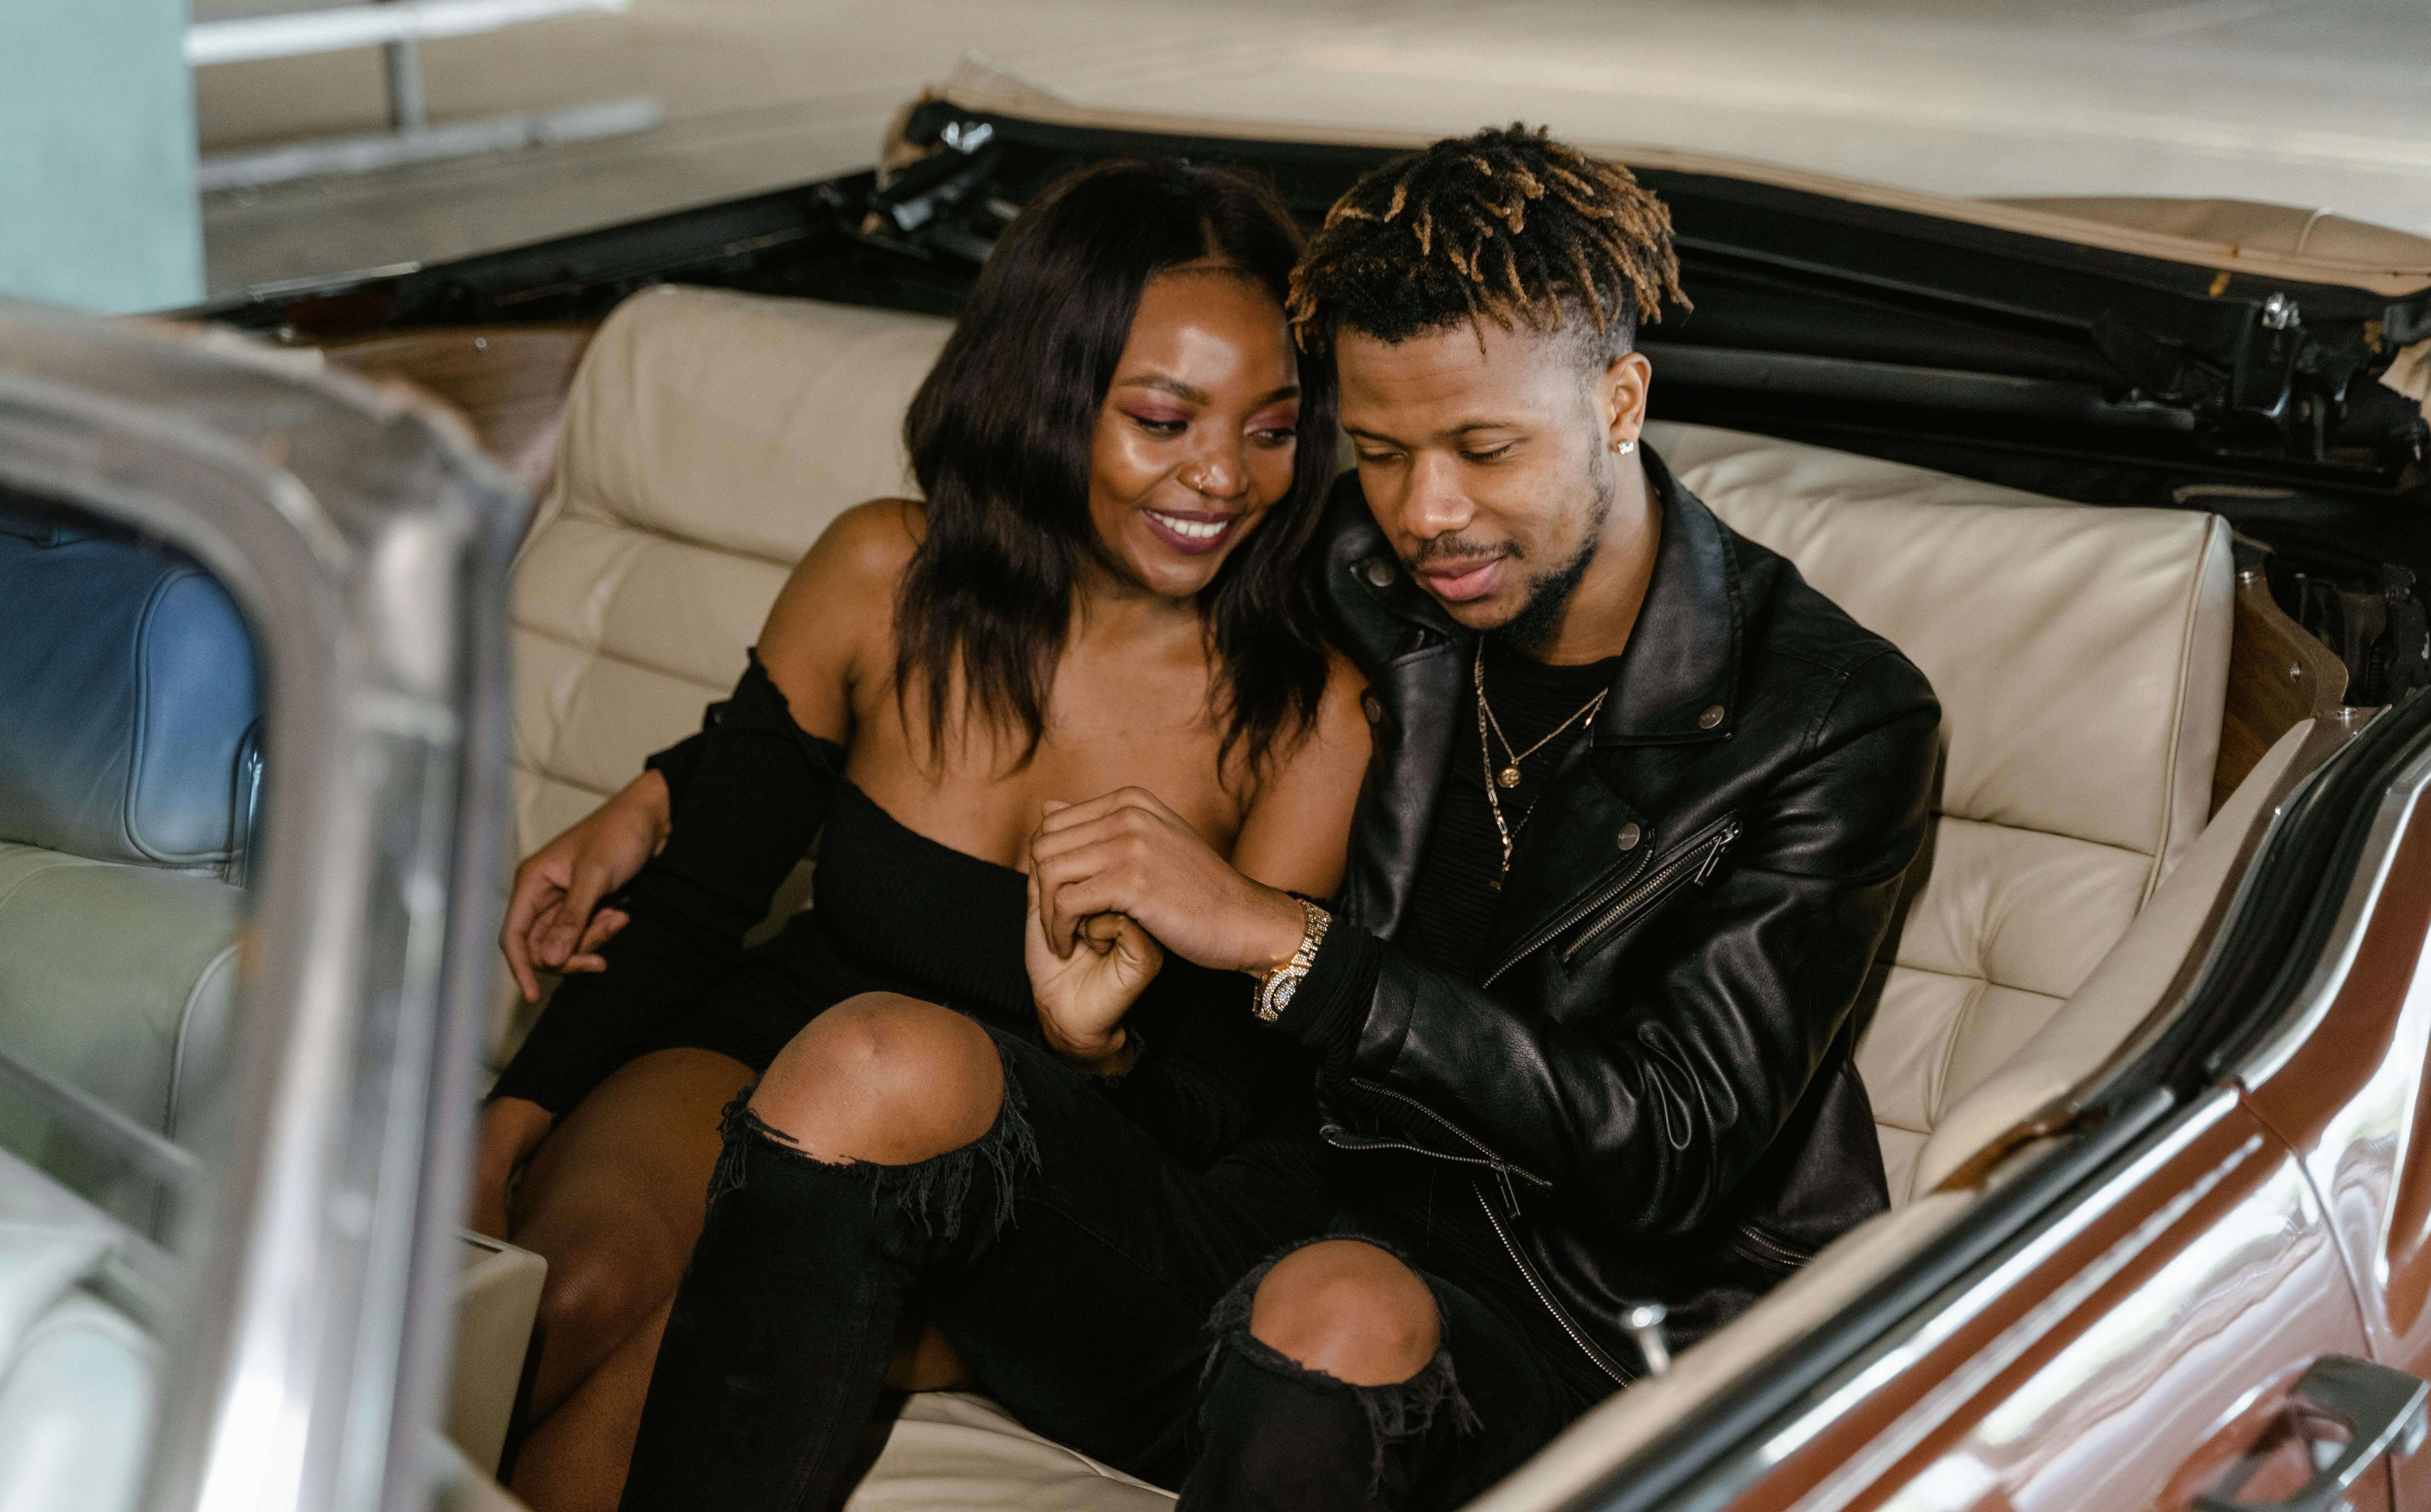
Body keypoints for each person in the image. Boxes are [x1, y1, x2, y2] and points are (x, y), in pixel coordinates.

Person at [622, 124, 1941, 1512]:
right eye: (1377, 450)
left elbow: (1666, 1147)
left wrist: (1281, 943)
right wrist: (668, 793)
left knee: (1337, 1307)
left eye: (1487, 449)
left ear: (1620, 402)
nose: (1431, 514)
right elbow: (1044, 546)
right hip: (1259, 1236)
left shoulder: (1832, 718)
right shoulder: (1359, 563)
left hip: (1586, 1339)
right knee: (872, 1058)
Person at [474, 156, 1371, 1512]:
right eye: (1163, 417)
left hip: (1025, 1164)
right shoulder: (881, 576)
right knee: (570, 1292)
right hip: (780, 1024)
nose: (1221, 477)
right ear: (1048, 397)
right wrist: (496, 1138)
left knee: (681, 1360)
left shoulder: (1307, 715)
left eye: (1270, 427)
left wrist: (1097, 1049)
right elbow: (698, 902)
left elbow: (1226, 1101)